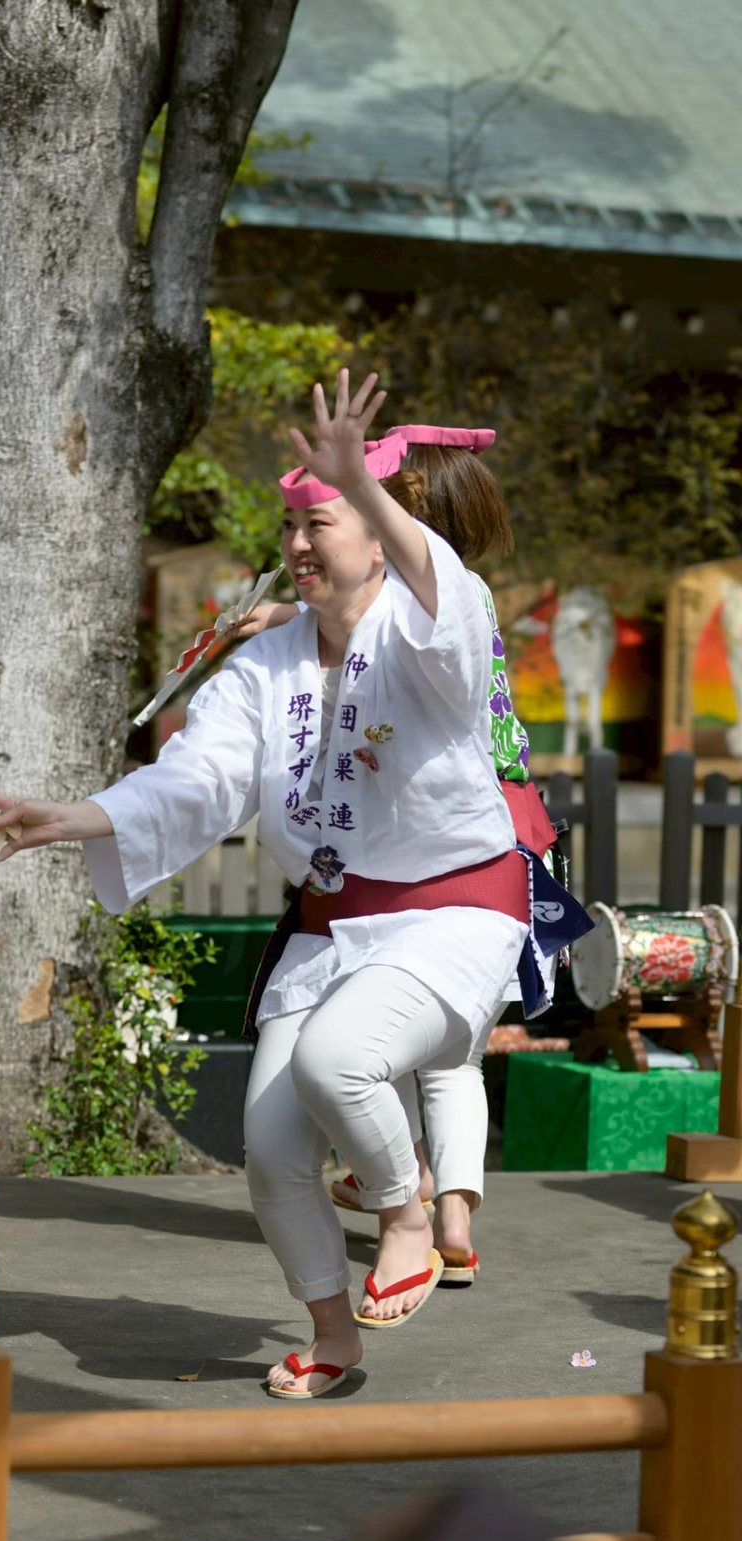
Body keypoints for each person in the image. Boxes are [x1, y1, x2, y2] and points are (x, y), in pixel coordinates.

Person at [0, 371, 582, 1398]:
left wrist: (369, 484)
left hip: (455, 915)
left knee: (342, 1061)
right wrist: (74, 817)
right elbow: (201, 778)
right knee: (267, 1146)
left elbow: (449, 608)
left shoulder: (435, 624)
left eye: (320, 522)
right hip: (331, 928)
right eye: (290, 525)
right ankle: (331, 1334)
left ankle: (407, 1210)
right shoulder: (266, 669)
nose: (297, 546)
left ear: (379, 527)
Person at [232, 423, 544, 1287]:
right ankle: (448, 1218)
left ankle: (419, 1201)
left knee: (416, 1055)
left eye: (374, 499)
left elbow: (391, 629)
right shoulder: (407, 606)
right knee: (437, 1057)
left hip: (458, 869)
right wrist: (294, 620)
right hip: (449, 858)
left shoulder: (451, 601)